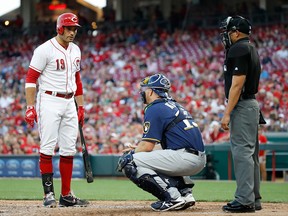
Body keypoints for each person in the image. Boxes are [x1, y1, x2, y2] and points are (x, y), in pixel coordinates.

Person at [24, 12, 89, 208]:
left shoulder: (76, 50)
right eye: (69, 28)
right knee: (47, 147)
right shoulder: (44, 50)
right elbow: (30, 79)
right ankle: (48, 194)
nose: (72, 32)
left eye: (75, 29)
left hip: (70, 101)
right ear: (60, 28)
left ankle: (66, 195)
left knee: (69, 149)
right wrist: (30, 106)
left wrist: (81, 105)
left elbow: (77, 80)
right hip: (49, 99)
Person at [117, 74, 206, 212]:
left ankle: (172, 198)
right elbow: (170, 144)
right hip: (196, 158)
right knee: (148, 159)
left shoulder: (155, 107)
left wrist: (134, 152)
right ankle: (185, 194)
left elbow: (147, 146)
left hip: (185, 158)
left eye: (145, 90)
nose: (143, 93)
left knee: (129, 161)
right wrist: (141, 149)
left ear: (151, 91)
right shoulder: (175, 105)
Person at [219, 15, 262, 213]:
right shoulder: (251, 47)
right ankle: (254, 198)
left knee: (242, 154)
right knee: (250, 155)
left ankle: (245, 200)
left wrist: (227, 114)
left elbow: (237, 84)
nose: (226, 36)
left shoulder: (238, 48)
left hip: (243, 106)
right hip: (251, 104)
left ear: (236, 32)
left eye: (228, 32)